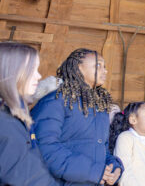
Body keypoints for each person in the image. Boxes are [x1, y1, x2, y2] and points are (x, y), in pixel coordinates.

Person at [31, 48, 123, 186]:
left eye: (105, 66)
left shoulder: (100, 107)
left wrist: (114, 168)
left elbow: (102, 149)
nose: (105, 70)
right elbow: (44, 148)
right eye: (98, 65)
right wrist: (94, 171)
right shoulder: (55, 101)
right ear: (79, 68)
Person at [0, 42, 59, 186]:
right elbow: (24, 178)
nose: (39, 76)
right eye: (32, 69)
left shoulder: (16, 117)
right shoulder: (5, 123)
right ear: (11, 72)